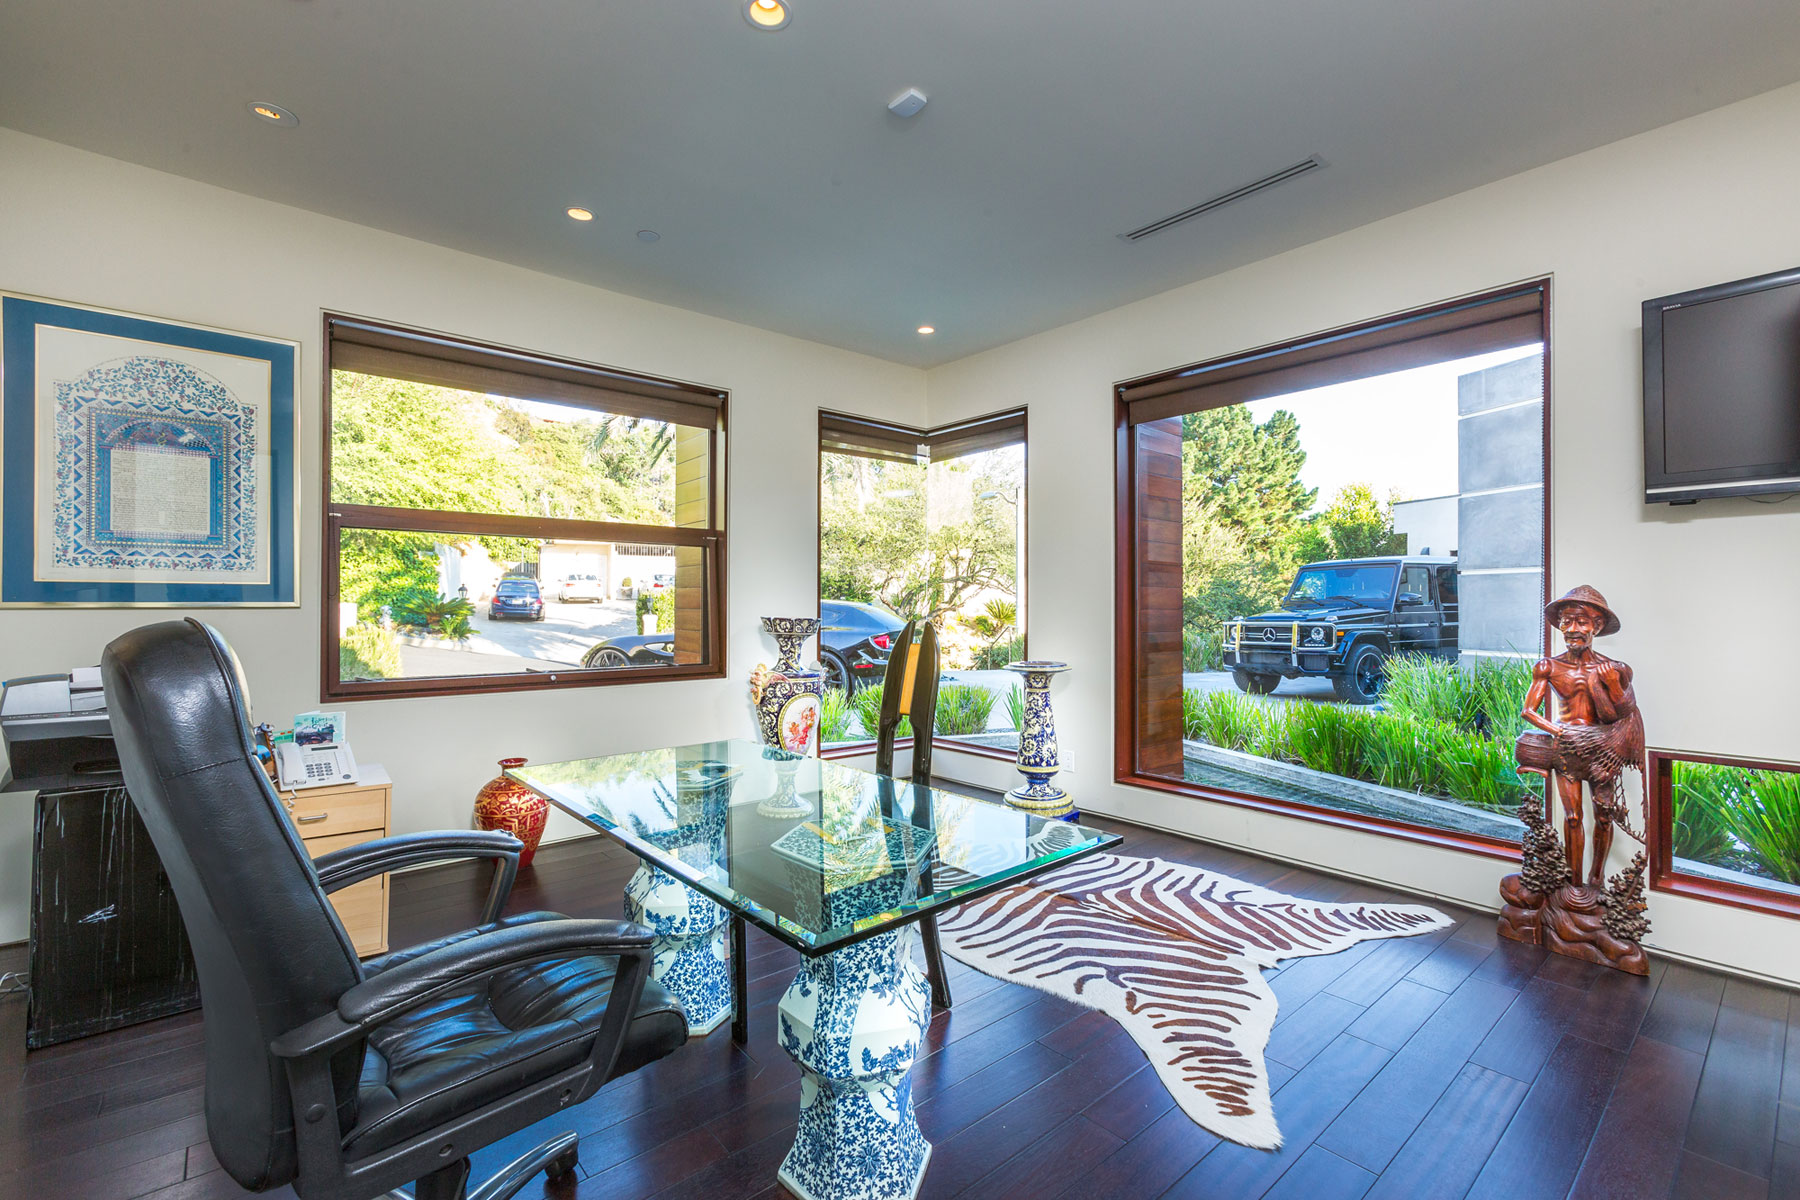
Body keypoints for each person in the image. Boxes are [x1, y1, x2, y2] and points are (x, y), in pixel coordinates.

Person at [1518, 585, 1645, 891]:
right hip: (1567, 751)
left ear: (1597, 626)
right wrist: (1559, 730)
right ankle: (1574, 886)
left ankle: (1596, 880)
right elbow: (1528, 711)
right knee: (1573, 817)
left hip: (1603, 752)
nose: (1572, 629)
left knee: (1603, 817)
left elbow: (1624, 713)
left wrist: (1612, 684)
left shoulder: (1614, 669)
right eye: (1566, 621)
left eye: (1581, 622)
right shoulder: (1548, 666)